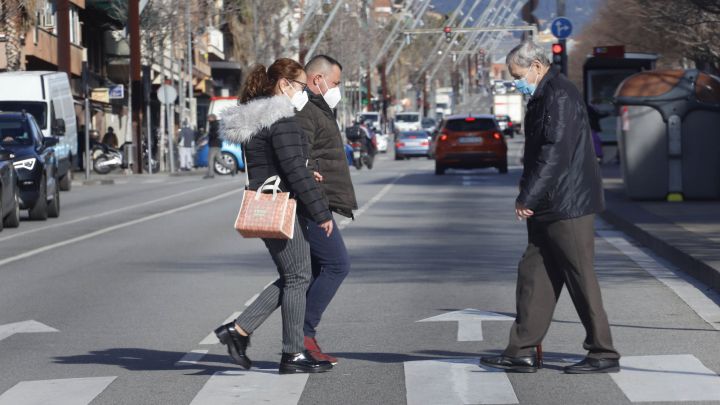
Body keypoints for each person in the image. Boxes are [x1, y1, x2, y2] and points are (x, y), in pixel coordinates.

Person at [480, 41, 621, 374]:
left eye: (518, 75)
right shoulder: (544, 94)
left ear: (537, 66)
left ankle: (603, 351)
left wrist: (528, 196)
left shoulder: (557, 95)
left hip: (566, 204)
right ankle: (521, 350)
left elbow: (554, 153)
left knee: (580, 276)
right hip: (551, 203)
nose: (517, 82)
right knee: (534, 273)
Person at [214, 58, 335, 374]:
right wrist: (320, 211)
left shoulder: (260, 120)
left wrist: (306, 170)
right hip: (280, 205)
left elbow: (277, 163)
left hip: (266, 202)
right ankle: (291, 353)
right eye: (299, 85)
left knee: (294, 275)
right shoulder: (282, 119)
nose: (302, 92)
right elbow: (292, 168)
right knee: (298, 277)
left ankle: (239, 331)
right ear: (284, 84)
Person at [295, 55, 357, 364]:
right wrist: (319, 209)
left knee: (311, 272)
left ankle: (298, 338)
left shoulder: (319, 108)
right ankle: (302, 334)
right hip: (312, 203)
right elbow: (300, 161)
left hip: (318, 201)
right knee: (337, 265)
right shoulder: (307, 111)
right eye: (335, 83)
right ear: (316, 79)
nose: (337, 89)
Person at [204, 114, 236, 178]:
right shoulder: (217, 124)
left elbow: (214, 134)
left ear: (212, 118)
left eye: (209, 118)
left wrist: (209, 135)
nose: (208, 119)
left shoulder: (214, 125)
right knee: (219, 159)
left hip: (214, 145)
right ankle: (231, 167)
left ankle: (211, 174)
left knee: (210, 159)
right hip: (217, 144)